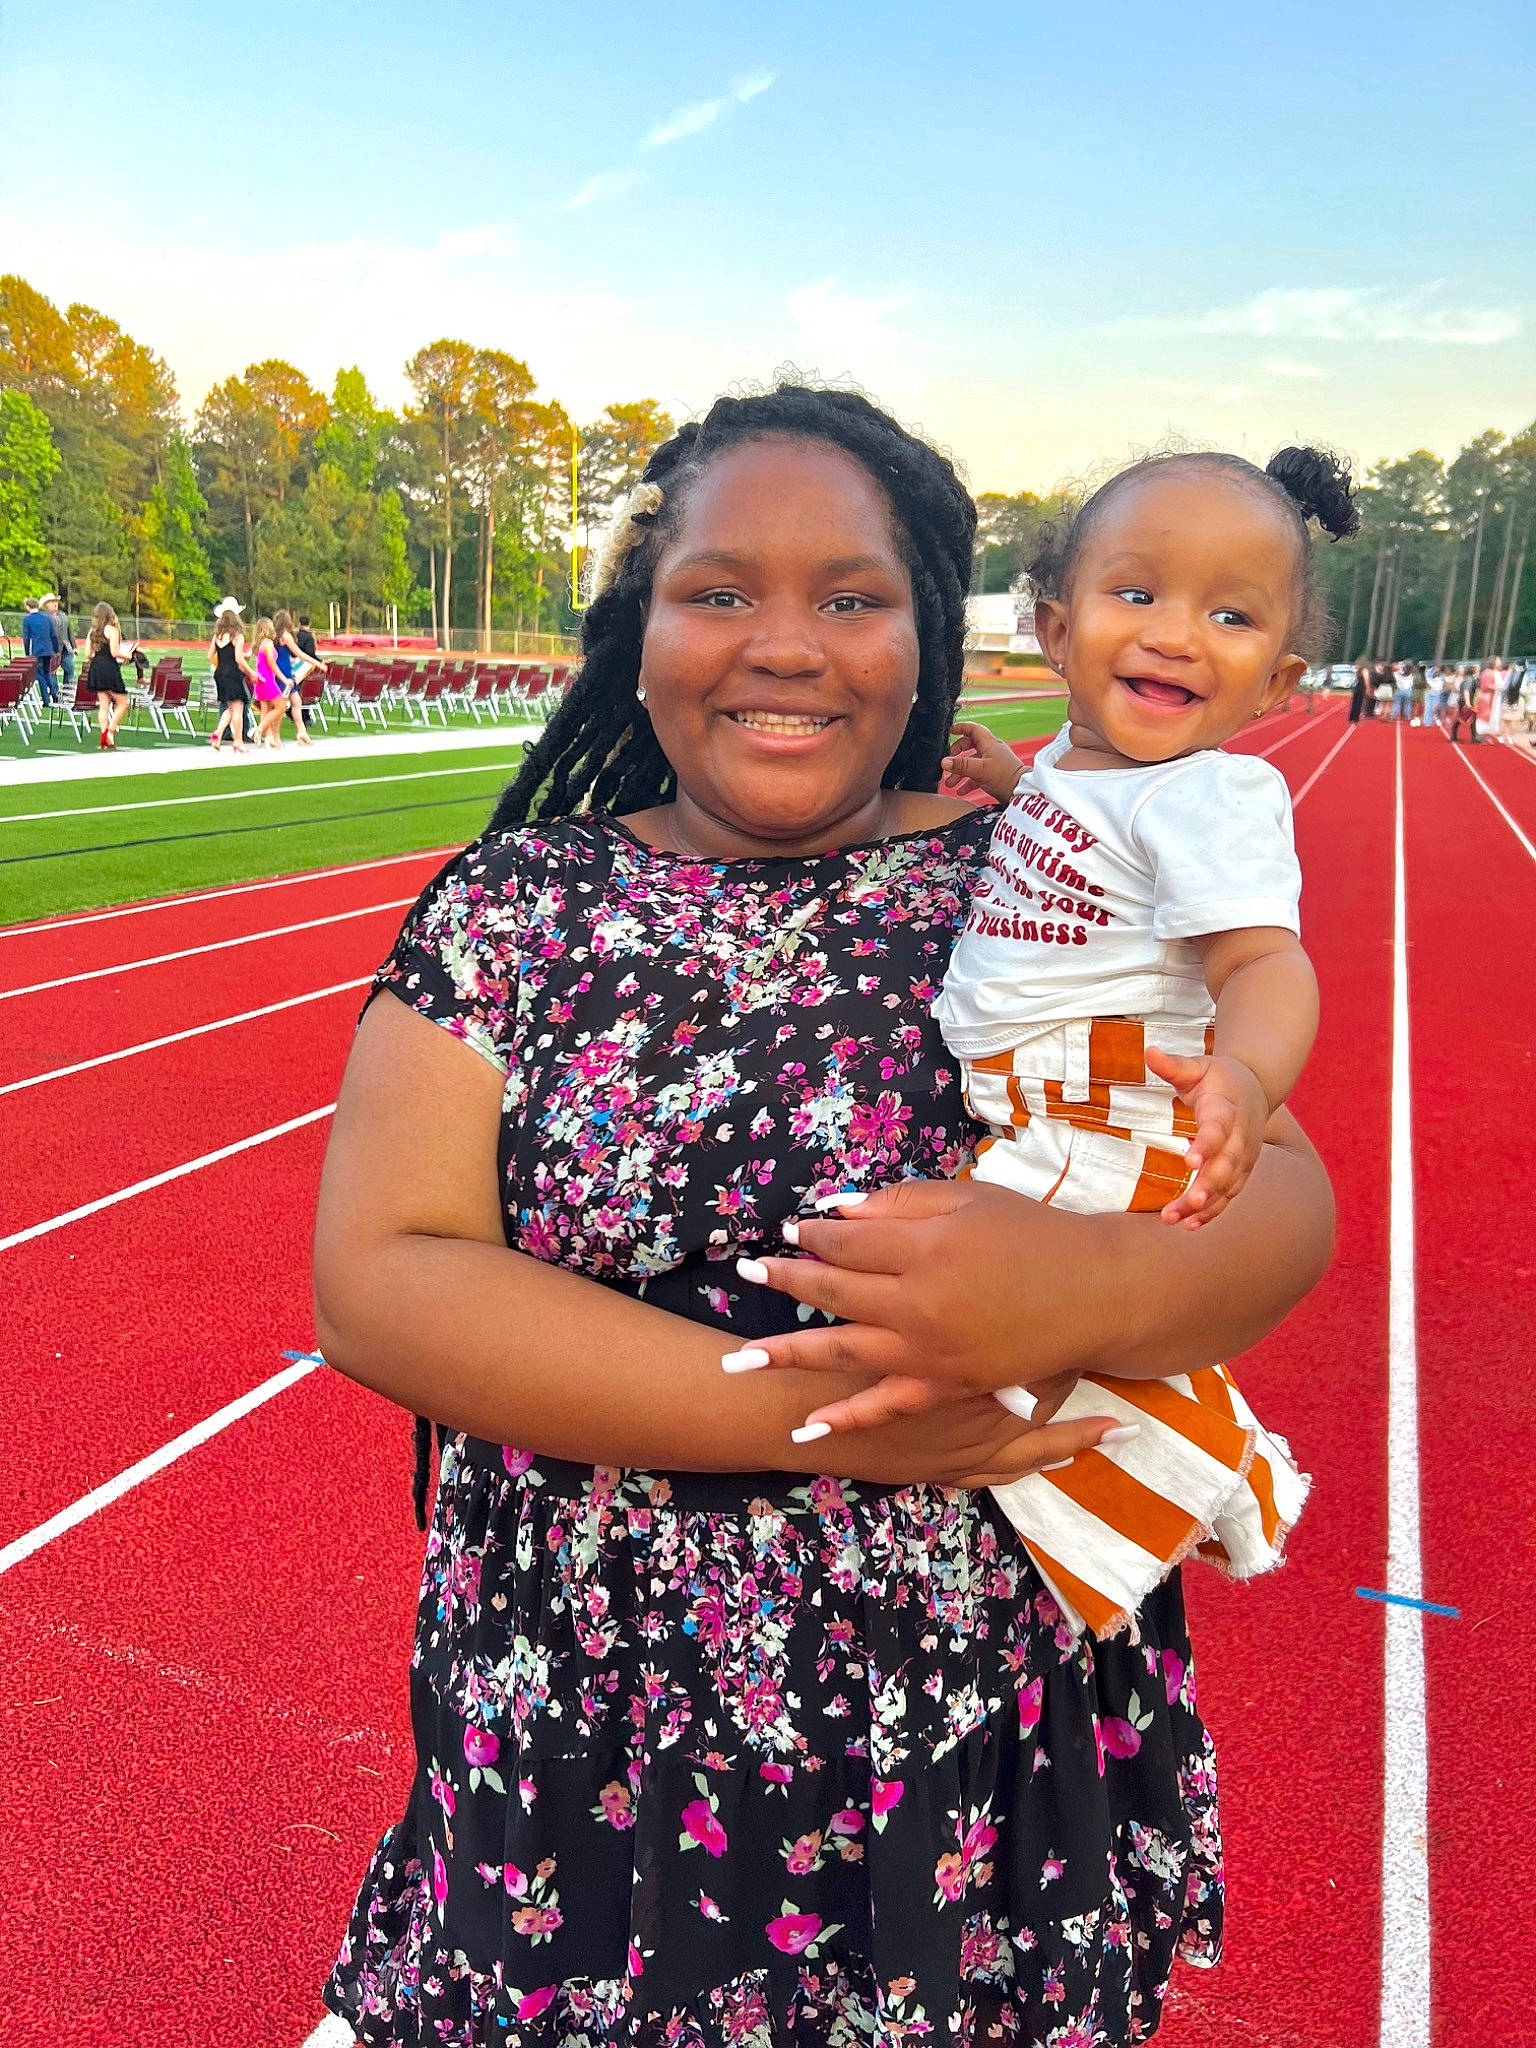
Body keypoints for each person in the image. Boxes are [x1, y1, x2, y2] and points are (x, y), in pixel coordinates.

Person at [313, 384, 1334, 2048]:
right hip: (597, 1732)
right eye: (718, 590)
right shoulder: (514, 908)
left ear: (928, 632)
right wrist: (837, 1419)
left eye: (851, 597)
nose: (785, 643)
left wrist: (1077, 1284)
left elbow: (1281, 1201)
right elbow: (381, 1278)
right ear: (636, 629)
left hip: (963, 1740)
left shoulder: (1053, 870)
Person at [885, 446, 1334, 1639]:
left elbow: (1266, 963)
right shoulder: (1089, 772)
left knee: (959, 1320)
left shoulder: (1208, 795)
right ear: (1054, 626)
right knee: (996, 1331)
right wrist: (1010, 782)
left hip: (1098, 1095)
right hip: (1028, 1091)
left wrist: (1246, 1070)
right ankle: (1186, 1471)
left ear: (1278, 678)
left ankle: (1217, 1481)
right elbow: (1080, 842)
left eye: (1229, 614)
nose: (1179, 633)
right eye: (1138, 593)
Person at [84, 603, 133, 749]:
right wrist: (128, 655)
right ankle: (110, 731)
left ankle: (104, 734)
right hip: (109, 666)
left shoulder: (92, 631)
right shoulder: (111, 630)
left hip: (96, 666)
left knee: (103, 706)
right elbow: (114, 652)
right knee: (123, 702)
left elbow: (88, 654)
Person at [208, 601, 254, 752]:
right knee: (238, 708)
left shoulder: (218, 636)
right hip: (233, 674)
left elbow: (210, 656)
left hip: (220, 673)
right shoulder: (237, 636)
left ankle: (217, 735)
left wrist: (221, 665)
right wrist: (251, 673)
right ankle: (238, 741)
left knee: (229, 708)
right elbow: (239, 659)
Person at [272, 607, 317, 744]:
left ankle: (301, 731)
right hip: (284, 672)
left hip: (283, 670)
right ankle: (276, 736)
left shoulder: (274, 635)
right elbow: (298, 652)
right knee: (282, 706)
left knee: (296, 702)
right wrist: (316, 663)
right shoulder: (285, 635)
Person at [250, 616, 287, 746]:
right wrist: (284, 678)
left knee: (265, 708)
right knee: (280, 706)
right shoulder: (268, 643)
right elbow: (271, 663)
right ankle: (259, 730)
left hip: (260, 681)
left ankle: (269, 737)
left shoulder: (259, 644)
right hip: (268, 681)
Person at [21, 596, 59, 706]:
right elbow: (53, 635)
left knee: (39, 675)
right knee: (47, 673)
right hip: (48, 649)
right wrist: (56, 649)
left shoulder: (27, 619)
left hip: (37, 650)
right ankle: (53, 692)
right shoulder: (47, 618)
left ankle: (46, 699)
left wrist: (27, 653)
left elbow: (26, 638)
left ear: (28, 606)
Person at [43, 593, 75, 697]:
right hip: (51, 649)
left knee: (69, 668)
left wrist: (74, 647)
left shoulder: (63, 615)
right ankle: (54, 694)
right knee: (52, 671)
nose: (55, 604)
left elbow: (69, 631)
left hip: (66, 648)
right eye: (53, 602)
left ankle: (67, 691)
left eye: (56, 601)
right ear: (46, 605)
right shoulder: (44, 617)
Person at [1349, 657, 1372, 724]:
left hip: (1356, 688)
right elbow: (1366, 680)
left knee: (1354, 703)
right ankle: (1356, 719)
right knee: (1359, 704)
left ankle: (1352, 718)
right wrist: (1368, 688)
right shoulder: (1364, 670)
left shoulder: (1357, 670)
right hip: (1361, 688)